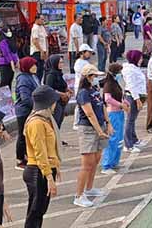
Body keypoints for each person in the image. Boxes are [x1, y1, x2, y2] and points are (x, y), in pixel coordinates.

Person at [23, 85, 61, 228]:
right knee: (35, 210)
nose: (55, 105)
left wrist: (56, 167)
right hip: (37, 170)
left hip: (43, 169)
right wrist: (49, 177)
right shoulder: (37, 122)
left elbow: (49, 148)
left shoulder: (44, 119)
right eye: (54, 102)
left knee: (40, 209)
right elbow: (40, 152)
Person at [74, 64, 112, 208]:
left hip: (100, 126)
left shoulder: (94, 89)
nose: (96, 79)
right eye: (94, 76)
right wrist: (99, 130)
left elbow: (102, 106)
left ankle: (89, 188)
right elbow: (89, 113)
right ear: (88, 77)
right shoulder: (83, 93)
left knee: (96, 159)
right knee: (86, 163)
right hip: (88, 130)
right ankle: (78, 195)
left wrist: (108, 123)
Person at [101, 63, 129, 173]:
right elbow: (108, 99)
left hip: (119, 113)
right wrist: (121, 105)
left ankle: (114, 162)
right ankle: (106, 165)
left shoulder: (115, 83)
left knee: (118, 139)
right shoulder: (108, 84)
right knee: (112, 139)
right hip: (113, 114)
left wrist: (124, 102)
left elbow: (119, 95)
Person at [15, 57, 41, 170]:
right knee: (22, 135)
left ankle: (29, 156)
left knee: (30, 135)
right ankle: (20, 159)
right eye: (32, 65)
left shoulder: (33, 76)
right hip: (24, 111)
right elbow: (25, 98)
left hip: (33, 110)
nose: (35, 67)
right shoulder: (23, 79)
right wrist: (37, 107)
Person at [122, 50, 147, 152]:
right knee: (130, 120)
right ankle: (128, 144)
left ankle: (134, 139)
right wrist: (137, 100)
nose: (141, 60)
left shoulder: (135, 68)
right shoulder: (129, 70)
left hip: (138, 95)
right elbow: (132, 86)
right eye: (140, 58)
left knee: (132, 119)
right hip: (132, 97)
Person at [44, 55, 72, 134]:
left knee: (59, 120)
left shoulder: (59, 73)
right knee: (55, 121)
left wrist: (68, 90)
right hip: (55, 101)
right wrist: (62, 94)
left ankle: (57, 138)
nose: (61, 64)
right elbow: (49, 89)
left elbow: (62, 84)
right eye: (59, 63)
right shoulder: (51, 75)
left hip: (62, 101)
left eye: (62, 62)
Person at [30, 14, 48, 81]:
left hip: (43, 51)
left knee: (41, 70)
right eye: (42, 19)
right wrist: (41, 50)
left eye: (43, 19)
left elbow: (45, 38)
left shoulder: (42, 27)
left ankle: (39, 83)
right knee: (37, 70)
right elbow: (35, 41)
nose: (43, 21)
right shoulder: (35, 28)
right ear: (37, 19)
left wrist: (46, 50)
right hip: (37, 51)